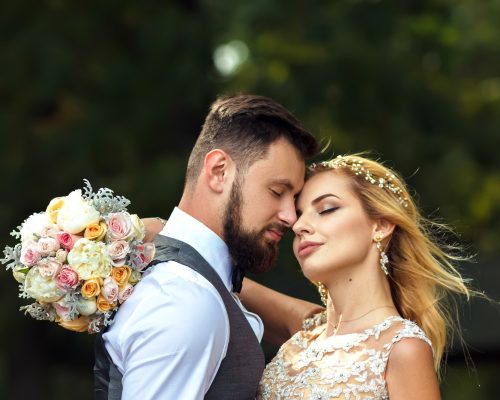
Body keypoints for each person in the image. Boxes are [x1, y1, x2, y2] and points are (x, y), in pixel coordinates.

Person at [93, 94, 320, 400]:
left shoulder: (198, 284)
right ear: (218, 172)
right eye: (277, 191)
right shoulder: (184, 299)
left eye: (293, 199)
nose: (291, 217)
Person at [247, 154, 476, 399]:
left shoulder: (402, 348)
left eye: (327, 209)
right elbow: (228, 283)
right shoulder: (308, 330)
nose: (299, 226)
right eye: (300, 213)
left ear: (380, 226)